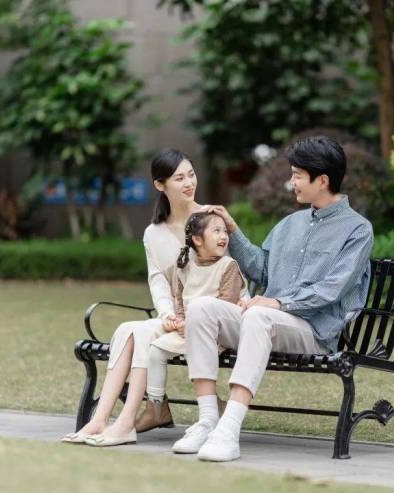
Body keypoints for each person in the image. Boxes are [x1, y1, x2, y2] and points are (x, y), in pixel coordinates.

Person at [172, 135, 374, 462]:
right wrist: (233, 231)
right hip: (265, 323)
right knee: (203, 309)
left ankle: (229, 430)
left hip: (313, 332)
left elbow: (332, 289)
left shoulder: (358, 230)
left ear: (322, 180)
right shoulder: (290, 223)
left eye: (297, 175)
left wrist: (278, 303)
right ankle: (208, 420)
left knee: (259, 315)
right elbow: (261, 268)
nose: (291, 182)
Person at [61, 148, 203, 446]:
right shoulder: (154, 233)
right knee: (128, 329)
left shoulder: (209, 219)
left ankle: (125, 423)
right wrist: (167, 315)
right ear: (160, 185)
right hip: (175, 320)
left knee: (139, 332)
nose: (189, 183)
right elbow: (157, 280)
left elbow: (224, 276)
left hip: (206, 318)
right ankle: (100, 420)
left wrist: (188, 315)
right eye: (179, 178)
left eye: (191, 175)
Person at [142, 211, 248, 425]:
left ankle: (211, 408)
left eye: (224, 231)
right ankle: (156, 406)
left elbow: (225, 306)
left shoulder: (228, 266)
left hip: (218, 332)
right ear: (198, 240)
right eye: (216, 231)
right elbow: (180, 301)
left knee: (196, 350)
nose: (223, 236)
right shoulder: (185, 268)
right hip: (190, 329)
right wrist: (180, 320)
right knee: (155, 350)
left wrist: (191, 326)